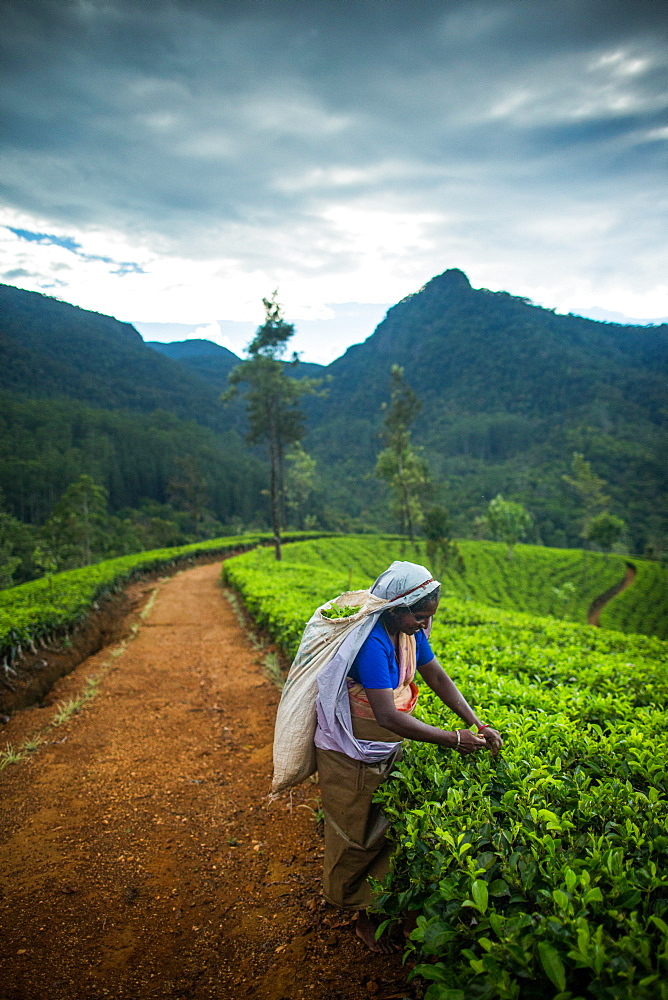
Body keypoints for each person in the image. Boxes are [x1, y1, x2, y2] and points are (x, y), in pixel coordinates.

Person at [313, 560, 503, 953]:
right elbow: (386, 715)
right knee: (355, 832)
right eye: (419, 616)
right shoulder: (373, 643)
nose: (424, 625)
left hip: (381, 744)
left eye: (429, 617)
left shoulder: (407, 631)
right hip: (351, 751)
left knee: (383, 830)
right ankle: (360, 914)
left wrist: (477, 723)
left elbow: (437, 677)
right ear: (395, 608)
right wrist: (454, 738)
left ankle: (378, 905)